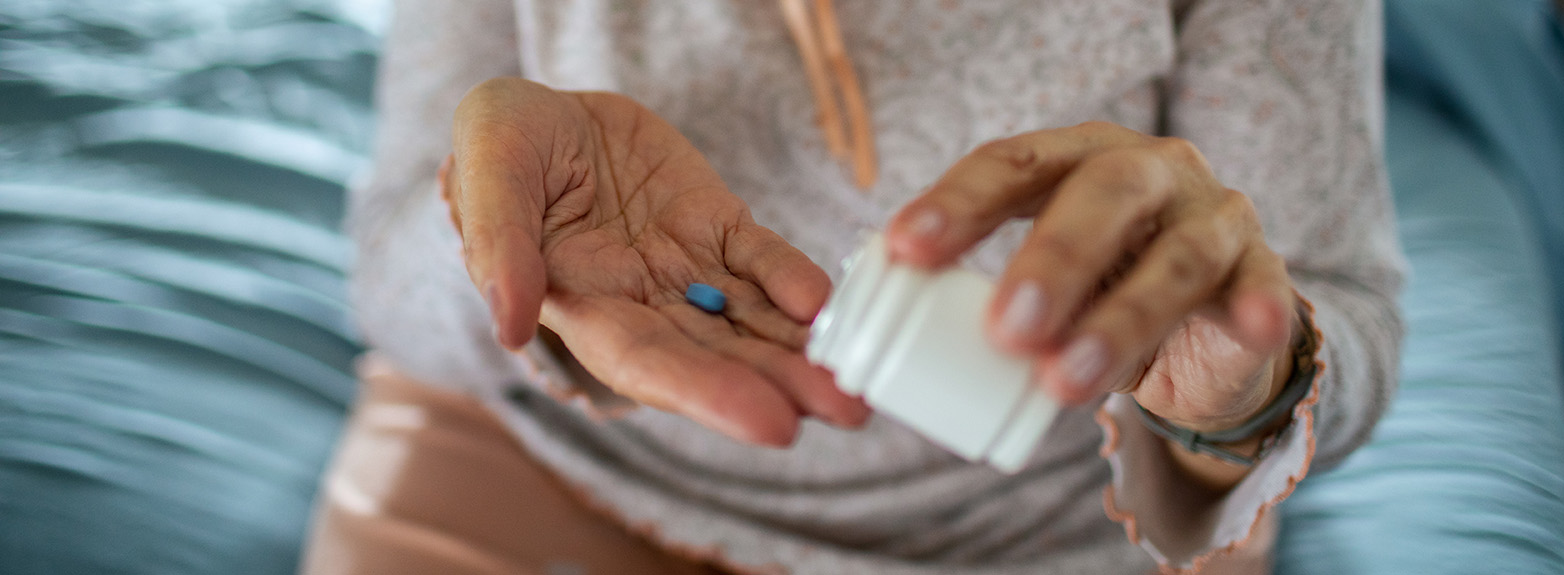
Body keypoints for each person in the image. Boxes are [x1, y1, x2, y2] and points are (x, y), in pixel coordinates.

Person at [301, 0, 1404, 573]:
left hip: (1037, 532)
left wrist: (1240, 392)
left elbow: (1344, 305)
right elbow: (386, 279)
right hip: (552, 470)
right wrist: (504, 238)